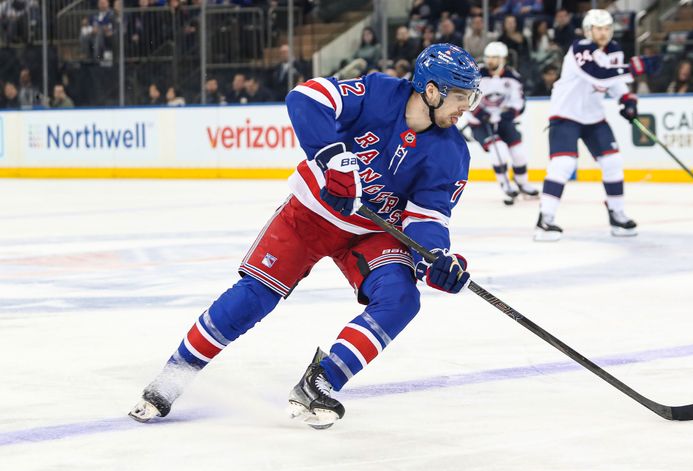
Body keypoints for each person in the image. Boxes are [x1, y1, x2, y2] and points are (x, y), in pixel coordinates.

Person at [128, 43, 482, 429]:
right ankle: (173, 376)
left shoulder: (452, 154)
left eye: (471, 97)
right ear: (431, 91)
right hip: (310, 215)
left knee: (401, 300)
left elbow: (426, 218)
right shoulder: (380, 93)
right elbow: (307, 97)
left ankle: (321, 381)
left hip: (370, 233)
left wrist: (436, 260)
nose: (467, 107)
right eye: (461, 96)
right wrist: (332, 158)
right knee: (254, 297)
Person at [535, 9, 658, 241]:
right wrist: (633, 68)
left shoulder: (615, 50)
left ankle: (617, 214)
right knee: (563, 164)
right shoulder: (580, 48)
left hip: (593, 116)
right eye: (598, 29)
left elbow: (614, 81)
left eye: (606, 29)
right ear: (589, 30)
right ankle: (545, 220)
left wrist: (627, 99)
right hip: (566, 114)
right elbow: (598, 74)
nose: (602, 33)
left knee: (613, 161)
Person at [468, 41, 538, 204]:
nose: (490, 60)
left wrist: (509, 114)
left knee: (518, 152)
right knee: (497, 149)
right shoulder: (476, 74)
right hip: (481, 123)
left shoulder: (512, 77)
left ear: (503, 59)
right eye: (488, 57)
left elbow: (519, 101)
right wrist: (480, 113)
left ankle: (523, 183)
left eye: (494, 57)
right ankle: (506, 185)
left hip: (502, 121)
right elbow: (467, 97)